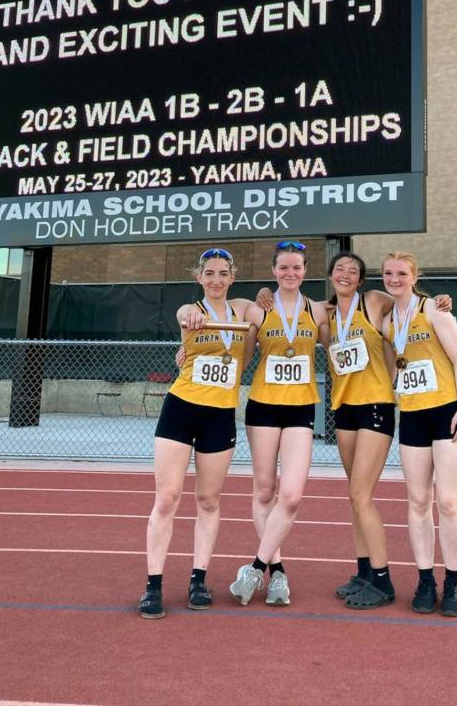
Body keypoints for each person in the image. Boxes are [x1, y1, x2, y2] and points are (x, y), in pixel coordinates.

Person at [327, 252, 452, 609]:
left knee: (361, 495)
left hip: (376, 406)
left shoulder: (373, 301)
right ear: (330, 275)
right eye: (339, 269)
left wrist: (440, 301)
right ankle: (364, 572)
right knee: (354, 497)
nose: (345, 274)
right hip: (344, 409)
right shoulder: (324, 314)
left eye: (353, 271)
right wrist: (264, 293)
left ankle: (383, 581)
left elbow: (409, 298)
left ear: (361, 279)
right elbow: (283, 304)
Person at [138, 248, 256, 619]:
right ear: (199, 277)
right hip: (181, 409)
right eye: (209, 273)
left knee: (208, 500)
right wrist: (188, 318)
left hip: (220, 416)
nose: (216, 279)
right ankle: (153, 585)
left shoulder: (242, 310)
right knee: (167, 497)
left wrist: (266, 296)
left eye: (222, 273)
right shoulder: (191, 310)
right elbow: (183, 314)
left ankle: (198, 580)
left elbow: (267, 310)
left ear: (232, 277)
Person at [229, 240, 329, 607]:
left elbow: (339, 348)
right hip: (263, 407)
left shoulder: (318, 311)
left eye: (296, 267)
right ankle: (278, 573)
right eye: (283, 267)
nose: (290, 273)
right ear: (273, 271)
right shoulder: (259, 309)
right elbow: (240, 356)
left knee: (292, 496)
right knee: (264, 491)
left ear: (305, 271)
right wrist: (188, 351)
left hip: (300, 409)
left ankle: (256, 567)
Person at [383, 251, 457, 617]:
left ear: (414, 277)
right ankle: (424, 579)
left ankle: (452, 580)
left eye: (402, 273)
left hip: (446, 413)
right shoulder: (388, 320)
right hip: (412, 416)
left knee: (448, 501)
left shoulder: (434, 309)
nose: (395, 279)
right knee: (418, 501)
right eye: (388, 273)